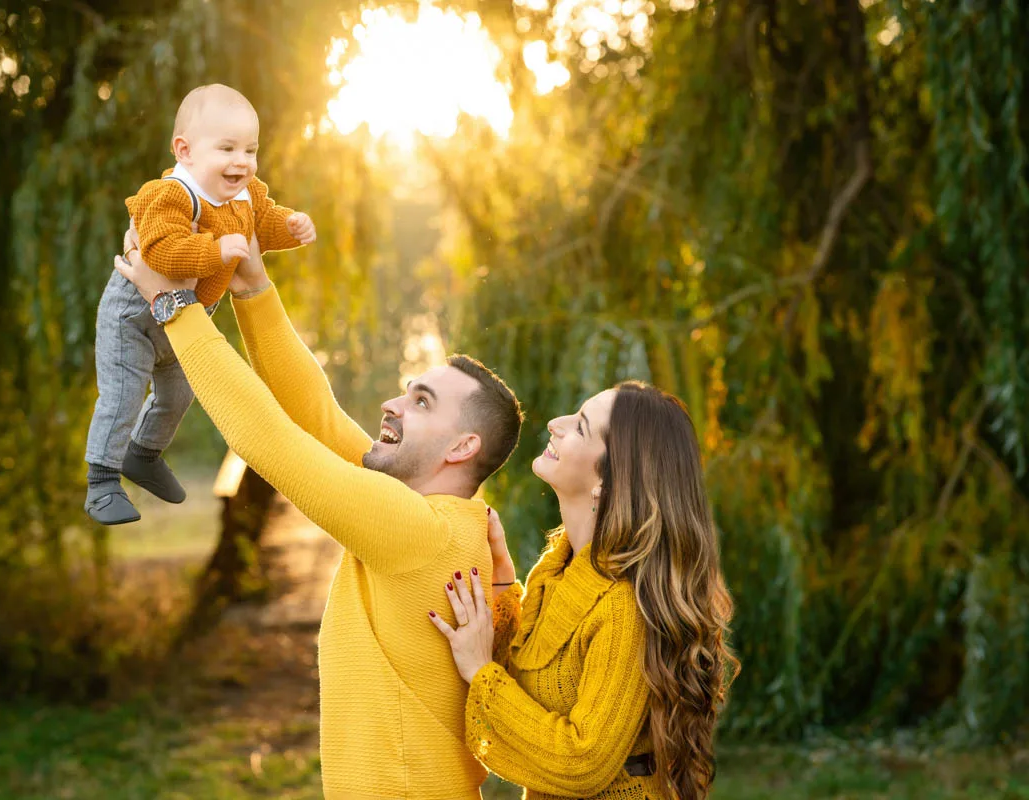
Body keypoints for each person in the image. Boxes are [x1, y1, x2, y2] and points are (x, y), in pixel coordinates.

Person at [113, 232, 524, 799]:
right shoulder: (437, 517)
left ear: (461, 448)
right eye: (407, 392)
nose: (392, 404)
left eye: (422, 402)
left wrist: (173, 307)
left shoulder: (415, 528)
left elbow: (268, 438)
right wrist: (254, 288)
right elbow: (315, 416)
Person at [429, 383, 739, 800]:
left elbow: (581, 763)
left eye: (580, 427)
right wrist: (503, 588)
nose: (555, 425)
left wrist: (481, 672)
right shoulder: (558, 566)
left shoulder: (624, 608)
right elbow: (526, 694)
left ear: (610, 479)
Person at [84, 84, 316, 525]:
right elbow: (160, 252)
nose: (242, 162)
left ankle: (144, 455)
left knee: (177, 396)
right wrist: (215, 250)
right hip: (132, 318)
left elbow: (261, 226)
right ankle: (101, 483)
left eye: (250, 149)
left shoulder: (245, 195)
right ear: (185, 151)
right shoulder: (171, 194)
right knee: (123, 395)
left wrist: (291, 226)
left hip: (183, 318)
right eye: (227, 148)